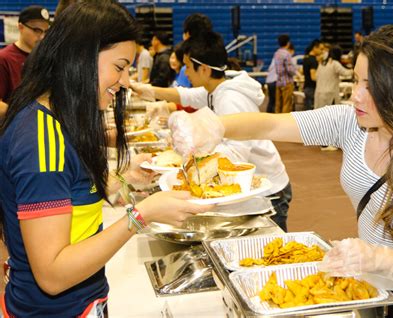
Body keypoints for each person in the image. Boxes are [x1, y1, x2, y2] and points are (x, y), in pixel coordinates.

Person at [168, 25, 393, 318]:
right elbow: (273, 123)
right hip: (375, 286)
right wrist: (216, 126)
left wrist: (383, 258)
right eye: (356, 81)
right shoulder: (351, 124)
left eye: (372, 86)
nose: (356, 95)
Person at [0, 2, 210, 316]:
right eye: (119, 66)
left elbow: (68, 202)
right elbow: (53, 275)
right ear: (81, 56)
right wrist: (141, 216)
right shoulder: (41, 141)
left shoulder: (57, 120)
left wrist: (125, 179)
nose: (125, 81)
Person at [134, 31, 293, 231]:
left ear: (205, 69)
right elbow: (186, 95)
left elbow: (238, 152)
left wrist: (194, 157)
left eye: (189, 67)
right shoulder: (214, 89)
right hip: (251, 183)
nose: (186, 72)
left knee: (268, 241)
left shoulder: (230, 99)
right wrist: (147, 90)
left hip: (268, 188)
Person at [0, 5, 50, 120]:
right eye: (37, 30)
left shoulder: (46, 58)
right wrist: (25, 117)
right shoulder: (4, 58)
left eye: (45, 31)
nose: (42, 36)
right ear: (21, 27)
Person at [273, 34, 296, 113]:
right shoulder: (287, 54)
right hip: (287, 82)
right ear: (288, 43)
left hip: (279, 81)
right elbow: (290, 70)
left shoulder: (277, 53)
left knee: (278, 104)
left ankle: (276, 120)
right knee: (287, 104)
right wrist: (295, 71)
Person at [302, 39, 322, 111]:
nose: (321, 51)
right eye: (320, 49)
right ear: (315, 48)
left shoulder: (306, 58)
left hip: (306, 87)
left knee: (307, 111)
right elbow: (313, 77)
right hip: (312, 88)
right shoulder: (313, 60)